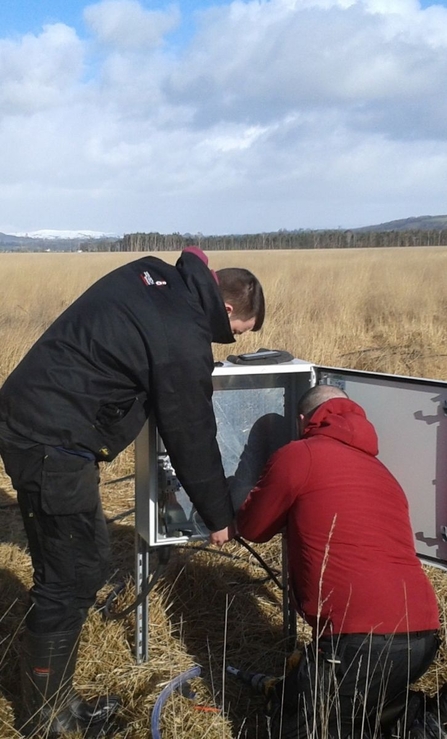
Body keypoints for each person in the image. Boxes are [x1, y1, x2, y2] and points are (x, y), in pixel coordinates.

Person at [0, 246, 265, 738]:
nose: (220, 340)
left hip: (39, 422)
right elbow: (191, 429)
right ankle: (45, 718)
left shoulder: (153, 275)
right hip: (50, 441)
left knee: (77, 567)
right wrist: (218, 515)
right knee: (73, 573)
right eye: (230, 333)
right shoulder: (181, 330)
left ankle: (61, 702)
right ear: (226, 308)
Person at [236, 384, 440, 739]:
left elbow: (252, 528)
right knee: (369, 713)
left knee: (302, 728)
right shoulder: (382, 471)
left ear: (303, 421)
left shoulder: (300, 454)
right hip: (423, 634)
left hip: (359, 637)